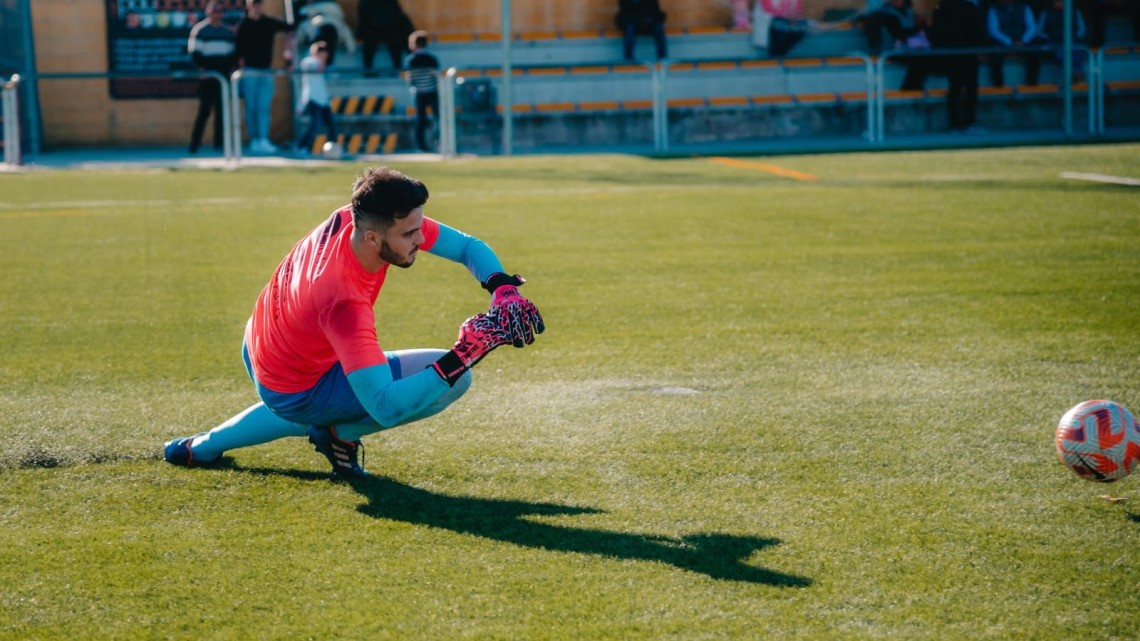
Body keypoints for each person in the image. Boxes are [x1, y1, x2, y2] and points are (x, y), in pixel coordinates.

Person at [163, 166, 545, 478]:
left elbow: (466, 247)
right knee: (455, 380)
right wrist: (465, 352)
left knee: (298, 401)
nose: (420, 240)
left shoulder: (352, 217)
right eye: (410, 234)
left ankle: (202, 448)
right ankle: (336, 433)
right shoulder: (344, 302)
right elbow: (386, 408)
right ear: (372, 236)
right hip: (293, 384)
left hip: (262, 342)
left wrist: (503, 288)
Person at [235, 0, 296, 154]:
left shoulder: (268, 22)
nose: (257, 7)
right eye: (254, 4)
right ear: (249, 6)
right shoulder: (244, 24)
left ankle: (263, 139)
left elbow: (290, 27)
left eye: (259, 4)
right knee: (251, 107)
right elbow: (238, 49)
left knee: (264, 107)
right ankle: (254, 139)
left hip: (266, 71)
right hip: (249, 71)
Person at [928, 0, 988, 131]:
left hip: (955, 55)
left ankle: (957, 124)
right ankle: (966, 123)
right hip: (964, 55)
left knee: (957, 89)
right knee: (967, 89)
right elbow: (978, 31)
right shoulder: (967, 7)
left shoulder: (942, 8)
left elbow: (935, 33)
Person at [187, 1, 235, 154]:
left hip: (222, 77)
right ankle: (194, 145)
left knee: (222, 112)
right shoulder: (200, 30)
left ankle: (219, 144)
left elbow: (231, 55)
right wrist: (202, 71)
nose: (217, 14)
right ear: (208, 12)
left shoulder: (227, 31)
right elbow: (195, 53)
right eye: (214, 11)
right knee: (204, 112)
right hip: (208, 77)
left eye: (219, 11)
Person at [986, 0, 1044, 86]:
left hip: (1022, 42)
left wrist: (1023, 41)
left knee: (1035, 54)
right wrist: (1009, 42)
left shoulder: (1025, 7)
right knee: (995, 55)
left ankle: (1032, 85)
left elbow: (1032, 28)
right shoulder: (993, 9)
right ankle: (999, 87)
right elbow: (993, 31)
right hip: (1002, 43)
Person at [294, 41, 337, 154]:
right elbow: (318, 69)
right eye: (322, 52)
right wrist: (300, 105)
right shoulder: (308, 62)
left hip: (324, 101)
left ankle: (334, 148)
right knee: (315, 126)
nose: (325, 55)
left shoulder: (321, 63)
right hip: (313, 99)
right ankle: (301, 146)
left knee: (331, 125)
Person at [403, 30, 440, 152]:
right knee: (437, 118)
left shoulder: (411, 60)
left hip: (419, 92)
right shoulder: (431, 58)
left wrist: (413, 86)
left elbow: (410, 78)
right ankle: (438, 142)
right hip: (432, 91)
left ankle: (421, 146)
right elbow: (436, 76)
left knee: (420, 119)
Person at [358, 0, 415, 74]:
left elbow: (397, 13)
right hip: (373, 28)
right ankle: (368, 69)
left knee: (396, 41)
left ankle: (397, 67)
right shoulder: (366, 2)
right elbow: (364, 16)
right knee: (369, 43)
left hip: (389, 29)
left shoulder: (390, 2)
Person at [1036, 0, 1088, 79]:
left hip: (1072, 41)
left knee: (1078, 51)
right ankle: (1072, 73)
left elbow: (1082, 30)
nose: (1059, 3)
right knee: (1061, 53)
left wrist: (1073, 36)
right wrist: (1050, 37)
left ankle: (1076, 73)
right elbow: (1039, 31)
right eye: (1057, 1)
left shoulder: (1075, 11)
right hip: (1053, 42)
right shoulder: (1046, 12)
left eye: (1061, 1)